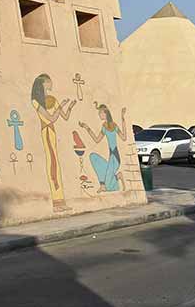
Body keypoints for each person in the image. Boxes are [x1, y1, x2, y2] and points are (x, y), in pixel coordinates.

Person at [31, 74, 76, 212]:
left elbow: (65, 117)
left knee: (56, 164)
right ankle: (56, 202)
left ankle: (60, 201)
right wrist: (60, 106)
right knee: (52, 165)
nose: (52, 83)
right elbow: (50, 118)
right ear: (44, 83)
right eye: (49, 81)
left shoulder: (53, 99)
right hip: (46, 132)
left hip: (52, 133)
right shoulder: (35, 101)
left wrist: (69, 107)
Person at [79, 104, 128, 192]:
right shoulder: (104, 127)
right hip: (111, 157)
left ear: (105, 113)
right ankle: (104, 184)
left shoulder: (114, 126)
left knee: (109, 186)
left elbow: (124, 138)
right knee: (93, 157)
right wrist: (87, 128)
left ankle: (117, 177)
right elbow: (97, 140)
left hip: (115, 157)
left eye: (100, 113)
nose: (99, 115)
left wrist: (122, 118)